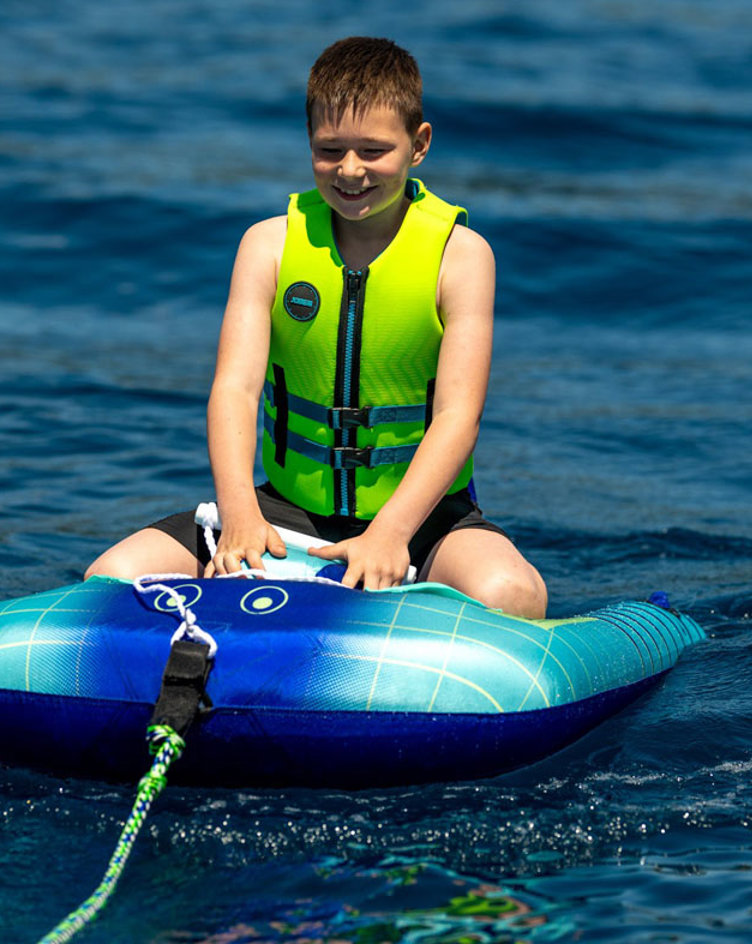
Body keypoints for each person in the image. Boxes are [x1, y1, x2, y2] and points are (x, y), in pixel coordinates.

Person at [85, 37, 547, 618]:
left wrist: (390, 534)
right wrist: (239, 518)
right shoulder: (268, 246)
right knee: (109, 578)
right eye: (330, 150)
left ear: (419, 145)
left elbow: (460, 416)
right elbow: (235, 389)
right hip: (283, 512)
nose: (350, 170)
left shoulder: (461, 256)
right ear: (309, 142)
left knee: (514, 594)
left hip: (425, 519)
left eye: (374, 150)